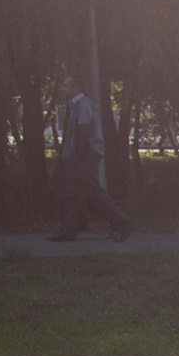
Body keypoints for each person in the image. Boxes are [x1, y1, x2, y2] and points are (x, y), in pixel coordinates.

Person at [47, 72, 134, 242]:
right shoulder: (76, 105)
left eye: (66, 85)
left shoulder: (82, 105)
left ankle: (122, 224)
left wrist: (79, 155)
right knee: (73, 192)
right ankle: (70, 230)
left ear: (76, 88)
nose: (62, 88)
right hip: (82, 155)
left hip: (86, 155)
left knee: (92, 191)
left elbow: (85, 131)